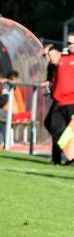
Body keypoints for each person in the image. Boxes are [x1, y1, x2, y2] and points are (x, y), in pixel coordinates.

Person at [42, 37, 74, 165]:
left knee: (69, 132)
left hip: (71, 102)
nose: (70, 45)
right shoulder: (62, 59)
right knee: (55, 129)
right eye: (68, 43)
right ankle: (57, 159)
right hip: (59, 102)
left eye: (72, 43)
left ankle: (69, 158)